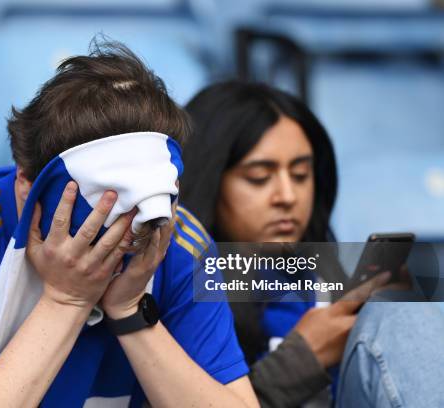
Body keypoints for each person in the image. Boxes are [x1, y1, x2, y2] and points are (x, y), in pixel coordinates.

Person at [0, 42, 260, 408]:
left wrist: (130, 312)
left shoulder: (175, 241)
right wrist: (67, 299)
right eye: (102, 207)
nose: (125, 233)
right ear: (25, 182)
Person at [180, 81, 444, 408]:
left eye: (301, 174)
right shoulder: (172, 287)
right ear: (210, 182)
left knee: (399, 310)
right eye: (259, 177)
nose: (287, 197)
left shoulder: (331, 276)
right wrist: (302, 360)